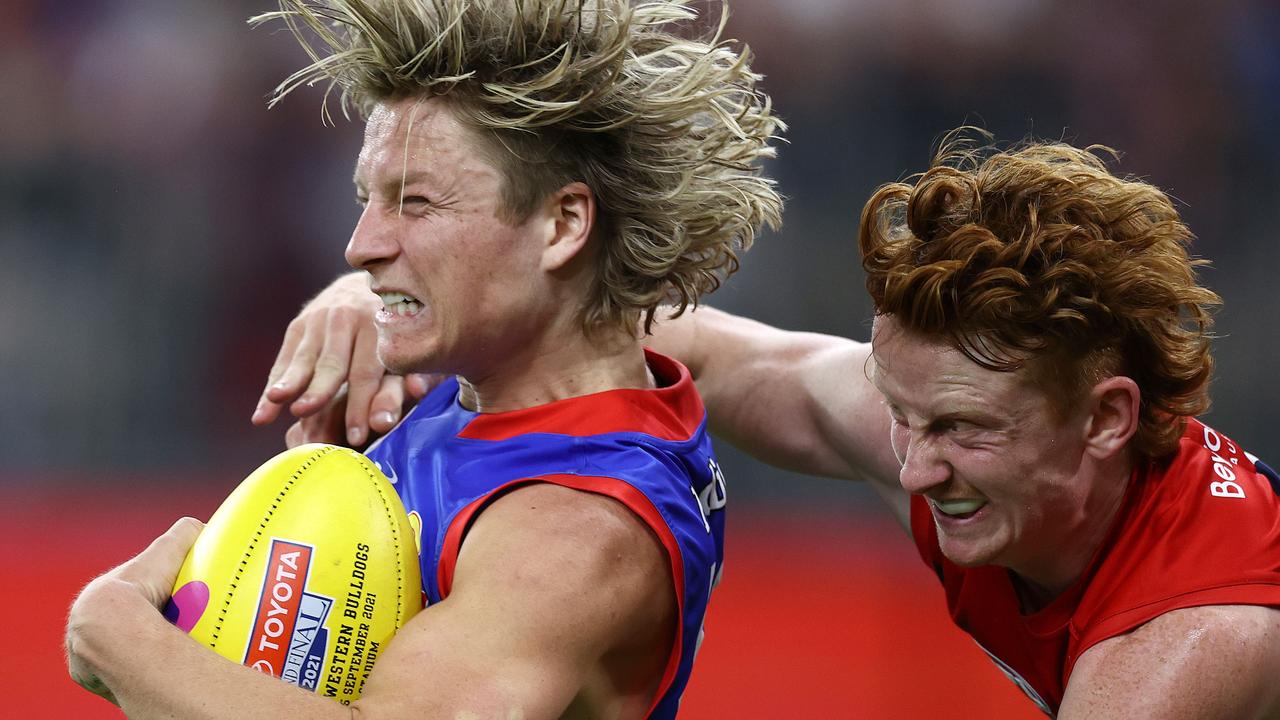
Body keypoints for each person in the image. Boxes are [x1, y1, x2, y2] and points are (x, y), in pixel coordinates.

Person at [266, 131, 1280, 718]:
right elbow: (661, 338)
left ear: (1106, 418)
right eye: (899, 411)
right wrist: (396, 301)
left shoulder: (1188, 646)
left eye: (962, 431)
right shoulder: (955, 436)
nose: (916, 469)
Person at [65, 1, 781, 718]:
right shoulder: (525, 382)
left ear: (562, 225)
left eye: (415, 203)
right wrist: (373, 302)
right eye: (366, 199)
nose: (360, 244)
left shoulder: (574, 529)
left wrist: (117, 636)